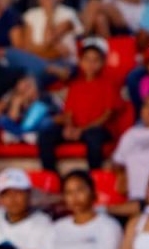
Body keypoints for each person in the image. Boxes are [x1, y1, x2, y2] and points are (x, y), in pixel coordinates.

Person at [38, 39, 119, 171]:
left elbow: (107, 115)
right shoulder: (75, 86)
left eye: (95, 60)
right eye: (87, 60)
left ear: (103, 63)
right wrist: (69, 127)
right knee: (47, 134)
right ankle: (50, 175)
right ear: (81, 62)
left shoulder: (108, 85)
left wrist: (82, 129)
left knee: (94, 137)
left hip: (96, 129)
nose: (91, 64)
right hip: (76, 129)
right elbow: (68, 113)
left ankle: (94, 175)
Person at [18, 0, 82, 86]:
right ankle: (48, 69)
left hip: (63, 61)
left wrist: (49, 15)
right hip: (38, 61)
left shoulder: (69, 14)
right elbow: (27, 47)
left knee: (35, 74)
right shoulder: (30, 15)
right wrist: (53, 50)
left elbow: (49, 39)